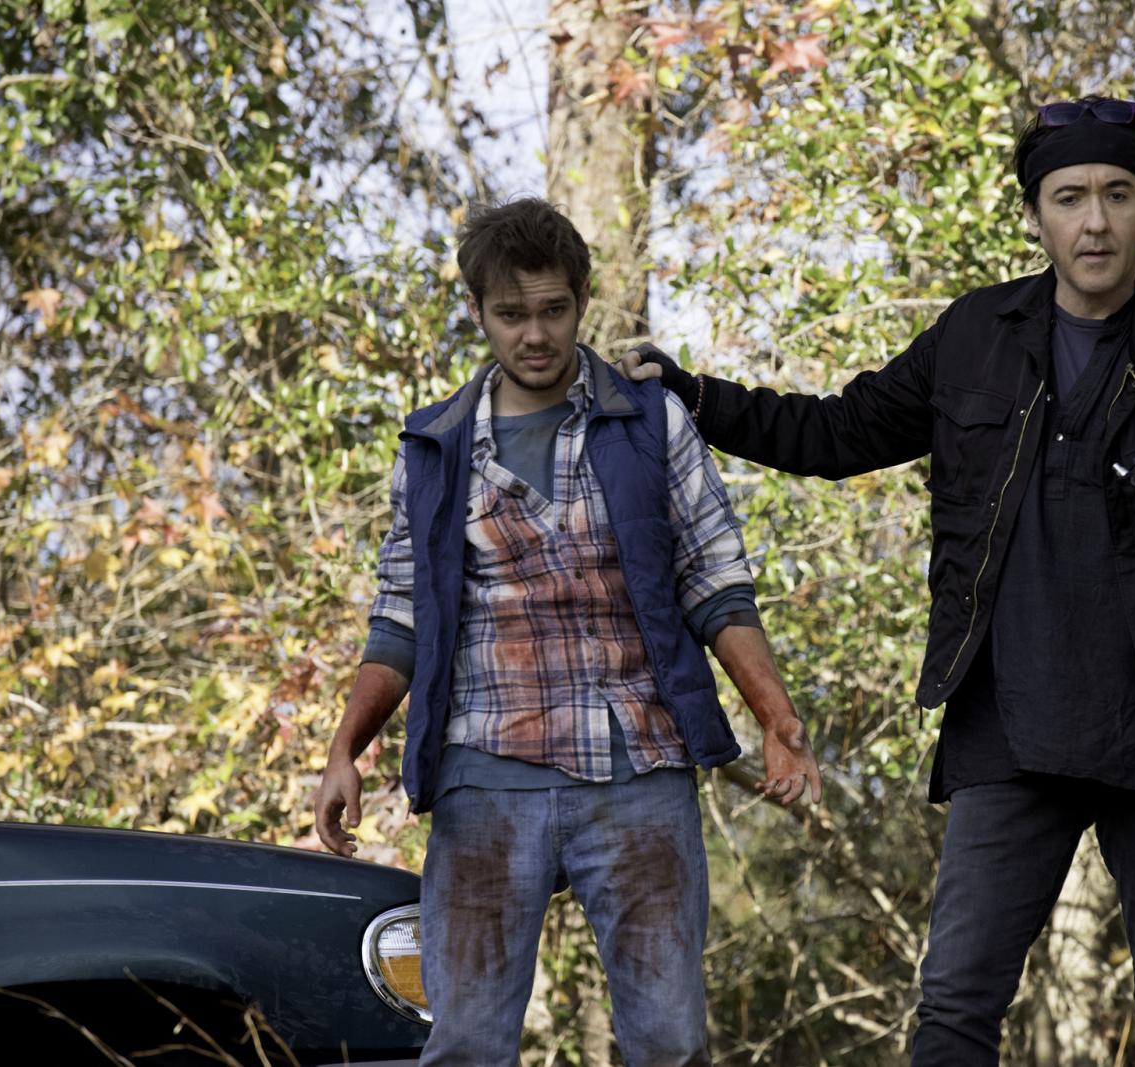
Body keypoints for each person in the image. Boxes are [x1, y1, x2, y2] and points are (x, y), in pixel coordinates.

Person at [621, 97, 1135, 1065]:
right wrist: (693, 396)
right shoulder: (976, 334)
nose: (1095, 221)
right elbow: (836, 432)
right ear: (1035, 215)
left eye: (1116, 194)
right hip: (1010, 719)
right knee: (957, 1002)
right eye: (1069, 198)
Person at [313, 197, 822, 1067]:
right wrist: (344, 750)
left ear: (582, 300)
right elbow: (401, 616)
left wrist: (776, 716)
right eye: (511, 314)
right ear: (478, 311)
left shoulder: (650, 422)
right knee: (466, 1045)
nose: (536, 334)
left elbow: (715, 582)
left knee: (670, 1041)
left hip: (638, 770)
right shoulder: (436, 446)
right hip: (485, 777)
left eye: (554, 309)